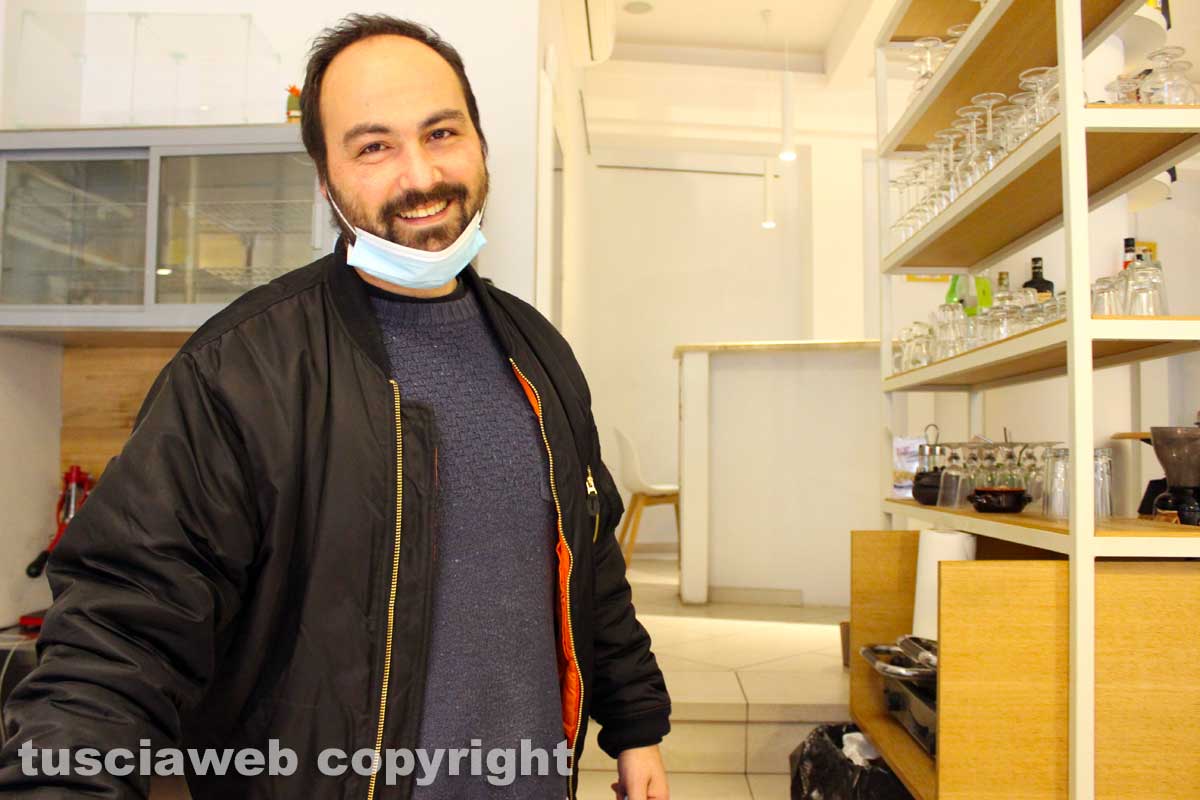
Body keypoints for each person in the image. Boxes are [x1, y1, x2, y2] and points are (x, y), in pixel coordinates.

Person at [0, 14, 670, 800]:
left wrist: (636, 726)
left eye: (441, 132)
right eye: (374, 146)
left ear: (481, 143)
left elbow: (590, 556)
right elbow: (121, 628)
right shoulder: (240, 370)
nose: (421, 174)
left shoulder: (538, 351)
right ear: (325, 179)